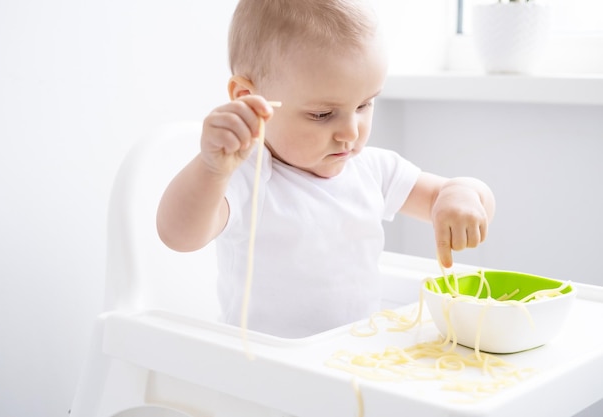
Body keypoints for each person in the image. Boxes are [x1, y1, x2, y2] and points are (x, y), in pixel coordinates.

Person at [156, 0, 495, 338]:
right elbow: (179, 236)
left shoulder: (372, 169)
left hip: (351, 360)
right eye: (322, 114)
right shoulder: (247, 176)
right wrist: (212, 170)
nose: (351, 132)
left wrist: (460, 196)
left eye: (364, 105)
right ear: (248, 97)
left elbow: (445, 195)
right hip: (266, 368)